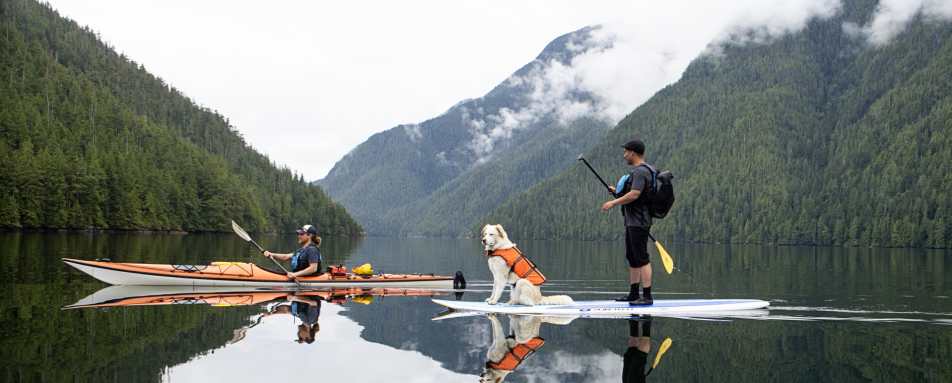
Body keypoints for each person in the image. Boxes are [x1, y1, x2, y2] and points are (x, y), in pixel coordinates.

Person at [601, 139, 655, 305]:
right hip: (632, 221)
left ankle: (647, 296)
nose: (624, 155)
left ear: (632, 152)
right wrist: (616, 192)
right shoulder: (642, 171)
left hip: (639, 221)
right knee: (632, 257)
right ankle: (633, 293)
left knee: (642, 258)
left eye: (626, 152)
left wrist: (613, 203)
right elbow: (632, 194)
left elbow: (634, 194)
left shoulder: (640, 171)